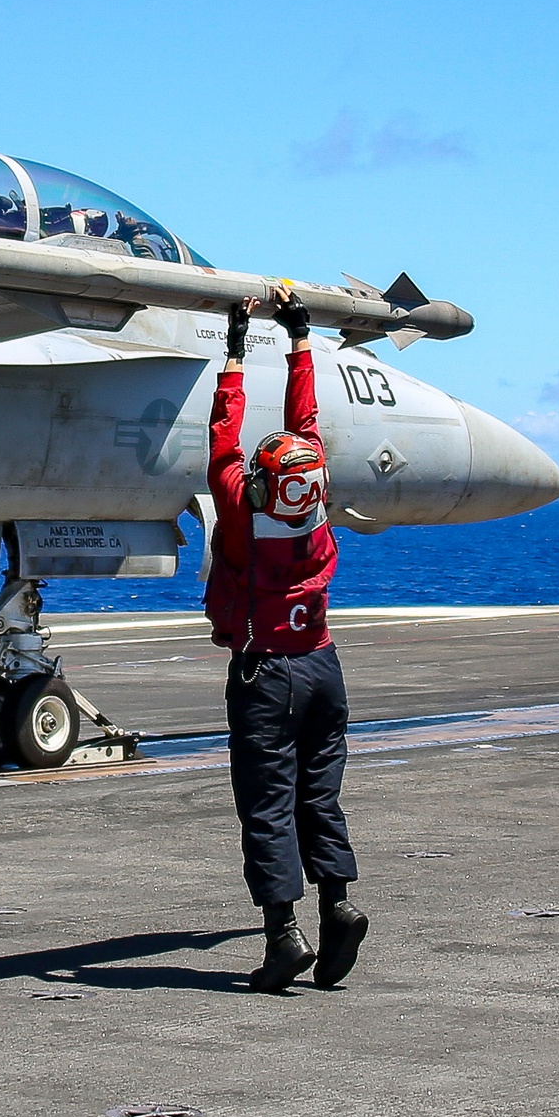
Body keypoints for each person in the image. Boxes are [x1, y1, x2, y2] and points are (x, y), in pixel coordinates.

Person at [205, 288, 368, 993]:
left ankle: (283, 938)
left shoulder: (244, 513)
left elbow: (222, 433)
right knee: (320, 800)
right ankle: (337, 908)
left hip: (265, 673)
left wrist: (236, 347)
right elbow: (305, 420)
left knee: (267, 805)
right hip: (323, 667)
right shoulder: (315, 508)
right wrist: (300, 337)